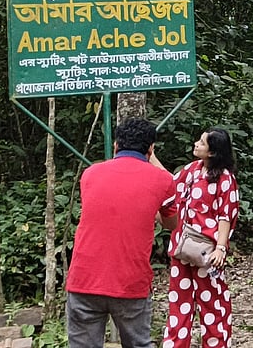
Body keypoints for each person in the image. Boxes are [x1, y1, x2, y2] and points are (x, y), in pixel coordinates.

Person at [66, 118, 178, 348]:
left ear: (116, 145)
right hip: (130, 283)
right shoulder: (163, 180)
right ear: (150, 149)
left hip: (84, 280)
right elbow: (171, 224)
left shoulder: (90, 174)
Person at [157, 127, 242, 348]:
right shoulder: (192, 169)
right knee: (179, 301)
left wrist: (220, 248)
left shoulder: (225, 178)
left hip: (207, 252)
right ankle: (175, 344)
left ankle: (216, 343)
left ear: (213, 152)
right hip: (182, 247)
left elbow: (226, 214)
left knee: (212, 301)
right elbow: (170, 184)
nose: (196, 144)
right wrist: (151, 157)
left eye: (202, 143)